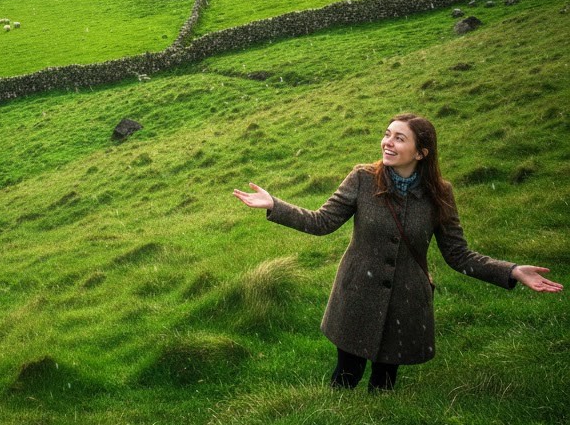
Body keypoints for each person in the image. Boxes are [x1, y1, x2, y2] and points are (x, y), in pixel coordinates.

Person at [233, 113, 562, 391]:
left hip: (405, 302)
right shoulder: (363, 178)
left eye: (399, 138)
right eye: (387, 134)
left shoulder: (440, 194)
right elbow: (322, 222)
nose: (387, 143)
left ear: (421, 152)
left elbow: (458, 255)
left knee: (384, 384)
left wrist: (511, 270)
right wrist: (275, 205)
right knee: (344, 378)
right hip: (357, 295)